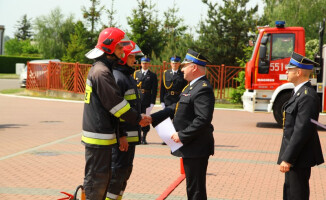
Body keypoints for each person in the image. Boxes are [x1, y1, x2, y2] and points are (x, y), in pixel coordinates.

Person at [82, 27, 150, 200]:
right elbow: (117, 106)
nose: (123, 51)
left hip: (103, 136)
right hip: (98, 137)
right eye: (120, 47)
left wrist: (121, 132)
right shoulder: (102, 72)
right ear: (109, 48)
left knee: (101, 180)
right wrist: (138, 118)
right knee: (96, 182)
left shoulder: (103, 70)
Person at [151, 49, 215, 200]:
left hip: (197, 147)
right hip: (190, 147)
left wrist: (182, 135)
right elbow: (176, 107)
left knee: (196, 190)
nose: (181, 69)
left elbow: (203, 119)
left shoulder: (203, 89)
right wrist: (152, 118)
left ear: (194, 67)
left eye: (185, 66)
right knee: (192, 187)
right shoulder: (191, 86)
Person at [277, 52, 324, 200]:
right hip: (295, 157)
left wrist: (288, 159)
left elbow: (301, 131)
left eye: (290, 69)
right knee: (290, 194)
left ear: (298, 72)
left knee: (297, 195)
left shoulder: (307, 96)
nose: (287, 71)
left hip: (299, 158)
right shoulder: (298, 93)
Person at [106, 42, 144, 200]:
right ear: (122, 58)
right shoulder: (118, 78)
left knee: (124, 173)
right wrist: (121, 135)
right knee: (116, 175)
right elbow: (116, 111)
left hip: (129, 139)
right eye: (132, 56)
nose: (135, 60)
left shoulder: (127, 77)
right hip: (121, 140)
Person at [160, 56, 188, 145]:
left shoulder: (182, 74)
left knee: (176, 119)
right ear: (170, 63)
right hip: (168, 99)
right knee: (166, 119)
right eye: (173, 63)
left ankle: (174, 137)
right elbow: (162, 88)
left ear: (179, 64)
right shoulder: (166, 73)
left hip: (177, 98)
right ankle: (166, 139)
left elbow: (184, 88)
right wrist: (162, 101)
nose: (174, 64)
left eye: (176, 63)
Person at [133, 56, 158, 144]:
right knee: (137, 118)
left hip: (147, 99)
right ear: (141, 64)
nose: (145, 65)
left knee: (145, 118)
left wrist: (152, 102)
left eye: (146, 63)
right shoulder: (136, 73)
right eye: (143, 63)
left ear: (149, 64)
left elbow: (154, 90)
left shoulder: (152, 75)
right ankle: (138, 137)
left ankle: (144, 137)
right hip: (137, 99)